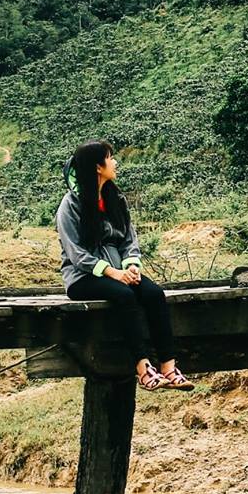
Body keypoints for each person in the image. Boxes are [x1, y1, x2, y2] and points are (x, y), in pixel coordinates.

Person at [56, 139, 188, 390]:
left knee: (154, 294)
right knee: (125, 296)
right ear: (97, 167)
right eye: (110, 157)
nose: (115, 162)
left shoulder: (116, 198)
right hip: (83, 278)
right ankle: (143, 369)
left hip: (120, 273)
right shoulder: (70, 205)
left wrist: (131, 266)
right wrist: (112, 272)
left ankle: (169, 367)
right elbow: (76, 254)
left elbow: (129, 239)